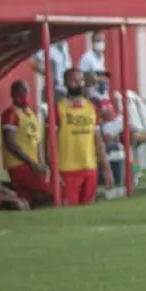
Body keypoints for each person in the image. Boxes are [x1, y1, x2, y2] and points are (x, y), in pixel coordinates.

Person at [55, 68, 112, 206]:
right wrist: (53, 170)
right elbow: (50, 142)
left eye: (80, 80)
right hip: (67, 169)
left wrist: (106, 168)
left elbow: (98, 140)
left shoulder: (91, 108)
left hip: (89, 168)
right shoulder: (58, 109)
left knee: (88, 210)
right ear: (66, 83)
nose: (79, 83)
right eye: (74, 80)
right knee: (70, 211)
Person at [1, 80, 53, 207]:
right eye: (20, 92)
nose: (24, 95)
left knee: (27, 197)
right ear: (13, 95)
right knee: (47, 192)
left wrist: (40, 163)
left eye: (25, 92)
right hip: (19, 164)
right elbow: (10, 143)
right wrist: (32, 163)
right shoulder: (10, 113)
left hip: (33, 163)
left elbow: (37, 141)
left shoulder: (31, 114)